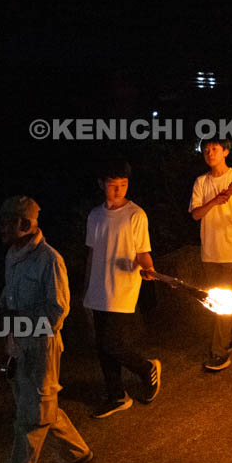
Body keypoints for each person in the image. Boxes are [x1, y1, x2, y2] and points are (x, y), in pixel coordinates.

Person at [0, 195, 92, 463]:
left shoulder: (50, 260)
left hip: (41, 347)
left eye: (7, 222)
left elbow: (58, 311)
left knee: (30, 420)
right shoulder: (13, 254)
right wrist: (2, 310)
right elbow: (9, 292)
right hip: (18, 343)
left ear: (25, 224)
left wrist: (20, 319)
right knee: (41, 405)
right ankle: (77, 452)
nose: (1, 227)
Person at [83, 161, 160, 419]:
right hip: (98, 287)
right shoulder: (95, 215)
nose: (118, 190)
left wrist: (148, 268)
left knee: (111, 342)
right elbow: (92, 253)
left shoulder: (135, 215)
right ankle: (116, 395)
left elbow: (142, 251)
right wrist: (87, 286)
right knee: (102, 346)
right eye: (113, 185)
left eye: (123, 185)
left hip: (122, 287)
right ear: (101, 184)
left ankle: (146, 368)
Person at [190, 139, 232, 371]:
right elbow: (196, 215)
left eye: (215, 149)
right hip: (210, 252)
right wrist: (214, 201)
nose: (210, 153)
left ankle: (219, 352)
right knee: (216, 302)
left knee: (224, 303)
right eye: (206, 150)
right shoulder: (201, 182)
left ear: (225, 151)